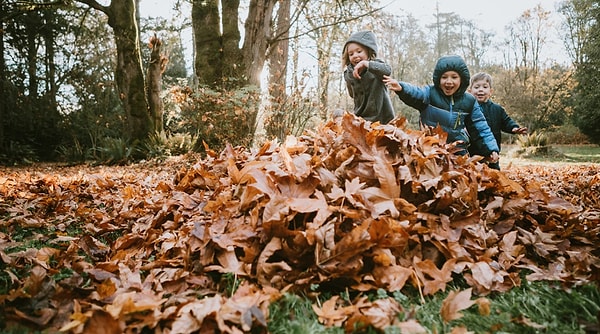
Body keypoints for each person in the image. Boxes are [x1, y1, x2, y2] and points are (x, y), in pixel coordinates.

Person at [382, 55, 499, 163]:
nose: (448, 81)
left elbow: (480, 126)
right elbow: (416, 93)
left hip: (457, 150)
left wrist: (491, 149)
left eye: (454, 77)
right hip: (431, 148)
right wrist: (402, 88)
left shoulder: (469, 101)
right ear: (438, 79)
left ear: (461, 79)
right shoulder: (430, 94)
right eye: (444, 77)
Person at [468, 72, 528, 170]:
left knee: (494, 174)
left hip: (492, 153)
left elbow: (506, 121)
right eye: (477, 87)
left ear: (491, 91)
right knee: (474, 174)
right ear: (470, 91)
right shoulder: (467, 109)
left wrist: (514, 128)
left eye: (485, 87)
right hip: (473, 152)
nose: (480, 90)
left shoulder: (497, 109)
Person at [342, 30, 395, 124]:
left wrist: (366, 64)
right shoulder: (348, 74)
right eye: (351, 54)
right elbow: (352, 94)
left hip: (382, 119)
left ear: (368, 51)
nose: (355, 56)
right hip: (361, 119)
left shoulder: (375, 67)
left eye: (359, 51)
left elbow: (388, 70)